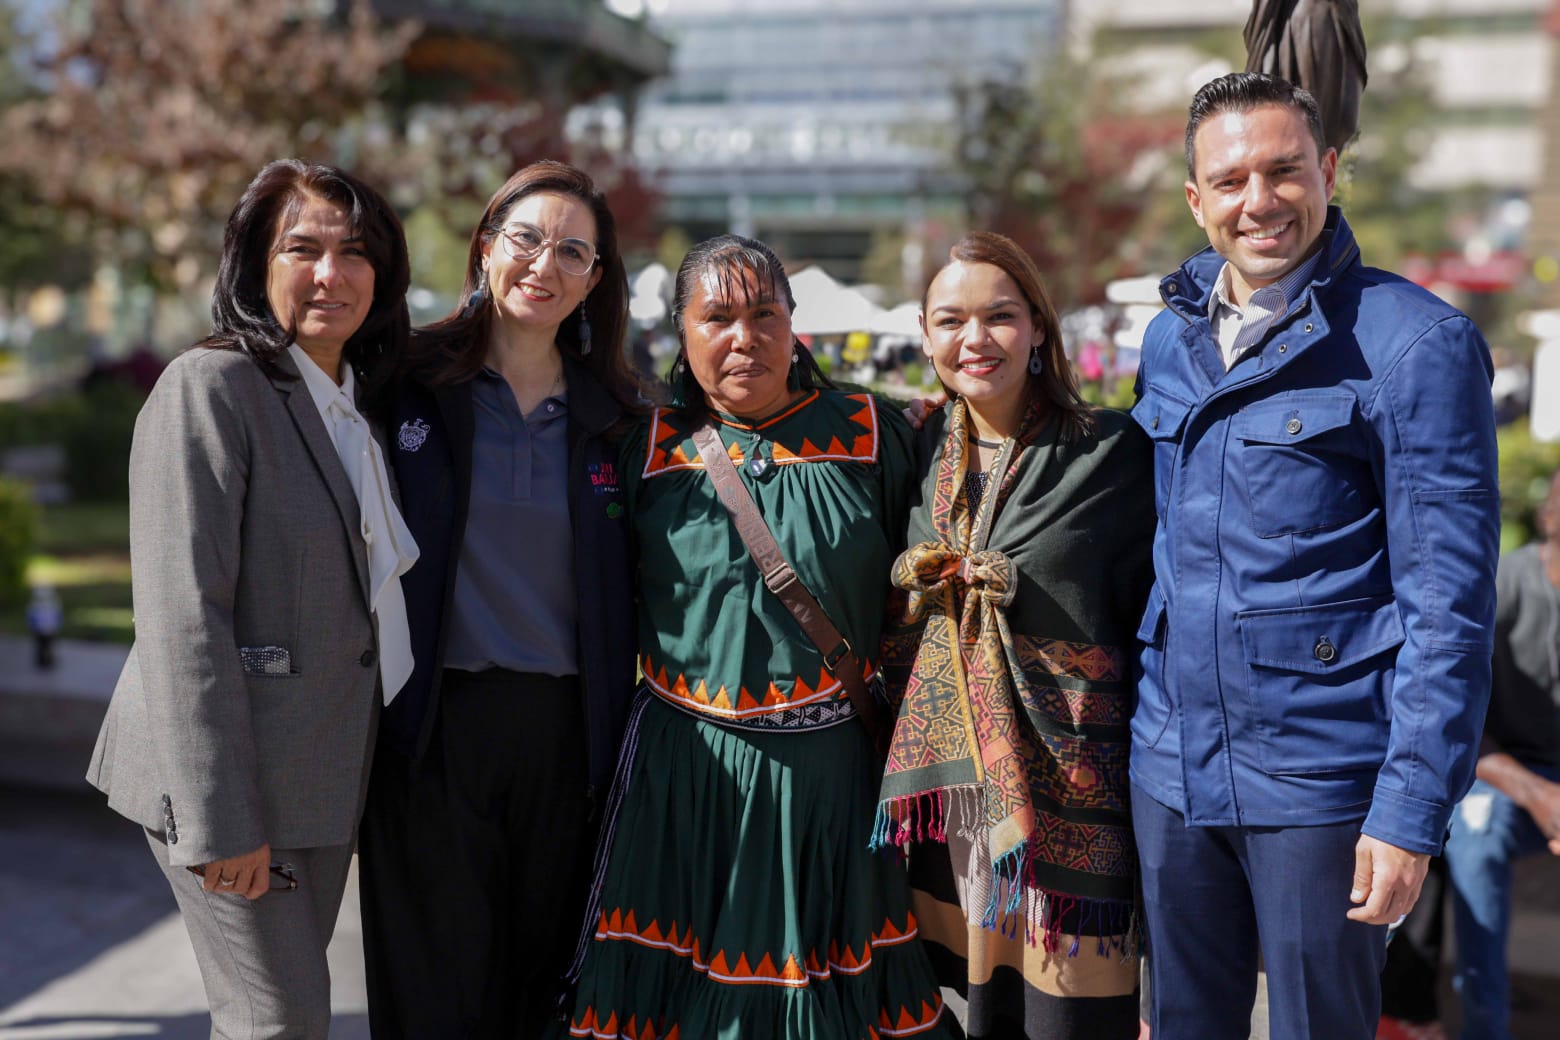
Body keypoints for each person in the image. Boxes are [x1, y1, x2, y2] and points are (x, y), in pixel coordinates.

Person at [1129, 72, 1499, 1040]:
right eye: (1231, 180)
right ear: (1196, 199)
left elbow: (1448, 609)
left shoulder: (1416, 346)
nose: (1259, 201)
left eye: (1284, 171)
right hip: (1170, 771)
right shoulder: (1168, 340)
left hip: (1322, 783)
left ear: (1329, 171)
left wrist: (1410, 809)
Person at [560, 234, 957, 1037]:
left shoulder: (877, 433)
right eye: (717, 318)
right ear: (682, 331)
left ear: (792, 322)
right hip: (685, 779)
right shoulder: (642, 448)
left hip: (832, 781)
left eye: (765, 314)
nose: (744, 338)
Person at [86, 158, 416, 1039]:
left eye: (355, 253)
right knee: (279, 1021)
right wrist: (220, 821)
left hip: (319, 774)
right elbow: (182, 619)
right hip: (229, 785)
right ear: (254, 265)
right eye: (302, 249)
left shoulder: (355, 402)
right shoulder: (211, 387)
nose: (330, 274)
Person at [356, 159, 645, 1038]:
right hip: (430, 732)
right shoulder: (403, 382)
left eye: (572, 252)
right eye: (525, 239)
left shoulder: (622, 419)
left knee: (541, 1001)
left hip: (568, 743)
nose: (543, 265)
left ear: (593, 279)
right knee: (431, 996)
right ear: (485, 246)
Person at [872, 232, 1153, 1038]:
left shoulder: (1110, 452)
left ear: (1037, 327)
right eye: (950, 320)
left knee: (1065, 1019)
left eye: (999, 316)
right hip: (948, 812)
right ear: (924, 335)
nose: (975, 338)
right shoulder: (913, 447)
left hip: (1072, 803)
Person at [1444, 469, 1560, 1040]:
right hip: (1502, 774)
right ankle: (1485, 1026)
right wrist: (1541, 797)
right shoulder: (1503, 585)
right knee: (1477, 831)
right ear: (1548, 516)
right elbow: (1456, 721)